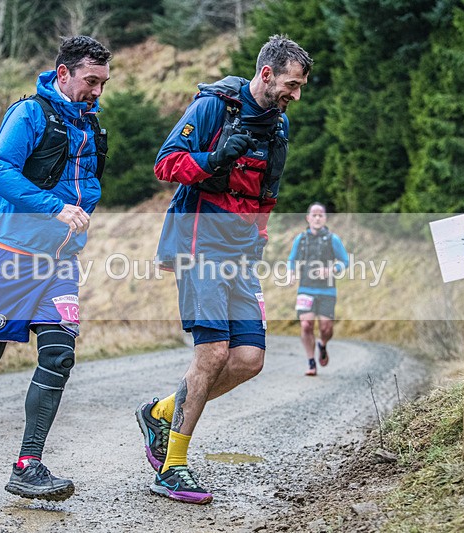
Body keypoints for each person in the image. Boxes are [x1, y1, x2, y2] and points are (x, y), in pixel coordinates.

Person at [135, 35, 312, 504]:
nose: (295, 95)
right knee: (211, 354)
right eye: (291, 85)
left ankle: (161, 412)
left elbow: (267, 193)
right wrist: (213, 159)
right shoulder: (215, 108)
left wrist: (259, 238)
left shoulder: (280, 126)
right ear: (267, 74)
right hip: (201, 243)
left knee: (249, 360)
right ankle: (172, 468)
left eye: (300, 88)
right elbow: (165, 164)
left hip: (241, 252)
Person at [0, 35, 111, 501]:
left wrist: (79, 221)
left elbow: (89, 182)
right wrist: (56, 209)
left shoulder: (91, 124)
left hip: (61, 261)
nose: (97, 91)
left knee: (59, 354)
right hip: (12, 256)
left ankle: (28, 465)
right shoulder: (29, 113)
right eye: (90, 81)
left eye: (103, 83)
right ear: (64, 73)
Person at [286, 202, 349, 376]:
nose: (317, 217)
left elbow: (345, 261)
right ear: (308, 218)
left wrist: (331, 270)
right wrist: (290, 274)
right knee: (306, 325)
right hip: (305, 288)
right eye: (314, 215)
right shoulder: (301, 239)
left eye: (320, 215)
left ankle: (322, 343)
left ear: (325, 218)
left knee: (326, 328)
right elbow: (291, 259)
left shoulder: (332, 239)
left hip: (327, 290)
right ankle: (311, 362)